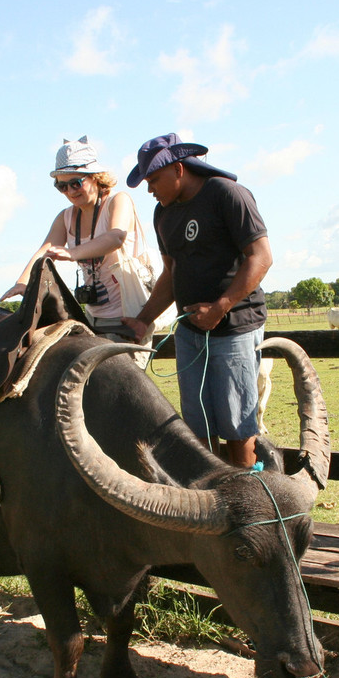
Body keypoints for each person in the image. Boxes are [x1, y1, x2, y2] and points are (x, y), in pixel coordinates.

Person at [122, 133, 272, 468]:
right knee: (197, 424)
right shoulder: (163, 215)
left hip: (234, 328)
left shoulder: (228, 195)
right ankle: (209, 498)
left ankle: (246, 495)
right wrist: (144, 319)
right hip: (190, 333)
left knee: (237, 422)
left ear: (178, 169)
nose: (150, 190)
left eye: (154, 179)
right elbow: (170, 274)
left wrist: (220, 307)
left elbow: (260, 258)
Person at [1, 136, 156, 364]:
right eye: (61, 186)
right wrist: (24, 282)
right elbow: (45, 249)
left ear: (95, 177)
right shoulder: (66, 217)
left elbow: (116, 237)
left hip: (130, 320)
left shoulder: (117, 201)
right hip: (93, 320)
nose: (70, 191)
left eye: (76, 182)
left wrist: (72, 253)